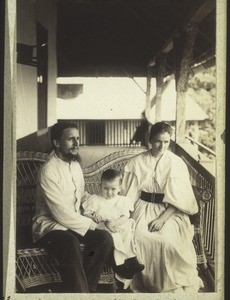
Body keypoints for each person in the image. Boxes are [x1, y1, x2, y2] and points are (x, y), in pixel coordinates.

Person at [32, 121, 115, 293]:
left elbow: (81, 195)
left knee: (104, 239)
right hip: (50, 227)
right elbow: (60, 214)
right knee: (70, 243)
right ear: (56, 142)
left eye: (78, 138)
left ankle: (86, 290)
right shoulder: (49, 171)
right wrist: (92, 224)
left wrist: (95, 209)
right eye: (71, 139)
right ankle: (80, 293)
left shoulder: (75, 165)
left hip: (72, 224)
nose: (77, 144)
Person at [122, 121, 203, 293]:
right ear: (150, 140)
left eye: (166, 142)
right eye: (158, 141)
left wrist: (161, 219)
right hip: (143, 207)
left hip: (169, 211)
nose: (162, 146)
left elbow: (179, 199)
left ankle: (167, 285)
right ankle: (148, 284)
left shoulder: (176, 163)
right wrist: (125, 215)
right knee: (140, 237)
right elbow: (129, 193)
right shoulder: (137, 162)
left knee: (166, 241)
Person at [82, 169, 144, 285]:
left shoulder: (122, 201)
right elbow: (85, 213)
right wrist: (94, 216)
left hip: (117, 224)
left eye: (113, 189)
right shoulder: (96, 200)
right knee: (114, 237)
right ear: (101, 186)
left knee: (127, 232)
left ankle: (131, 260)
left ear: (120, 188)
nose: (109, 192)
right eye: (106, 189)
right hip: (103, 227)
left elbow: (126, 216)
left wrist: (115, 223)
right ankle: (120, 265)